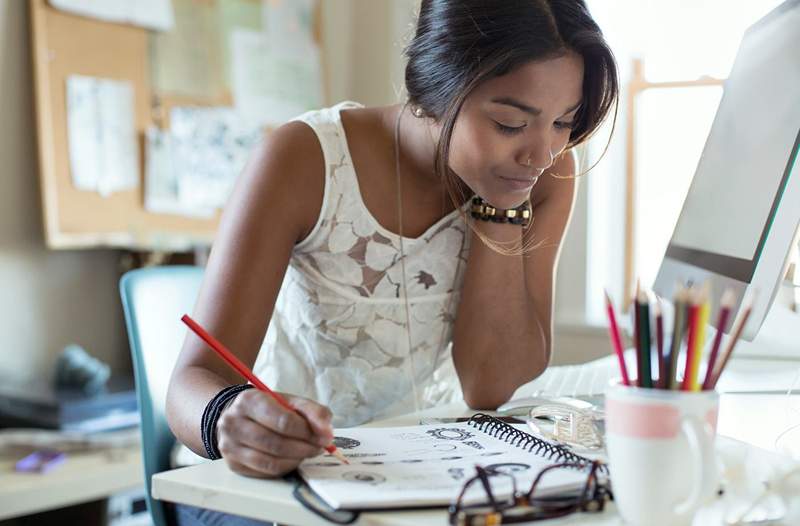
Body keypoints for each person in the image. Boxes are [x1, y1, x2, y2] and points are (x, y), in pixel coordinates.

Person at [167, 0, 617, 523]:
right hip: (256, 485)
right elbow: (191, 381)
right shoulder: (305, 157)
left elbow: (490, 384)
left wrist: (500, 204)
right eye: (510, 123)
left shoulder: (545, 176)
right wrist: (228, 416)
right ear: (435, 88)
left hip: (411, 473)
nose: (542, 154)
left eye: (564, 122)